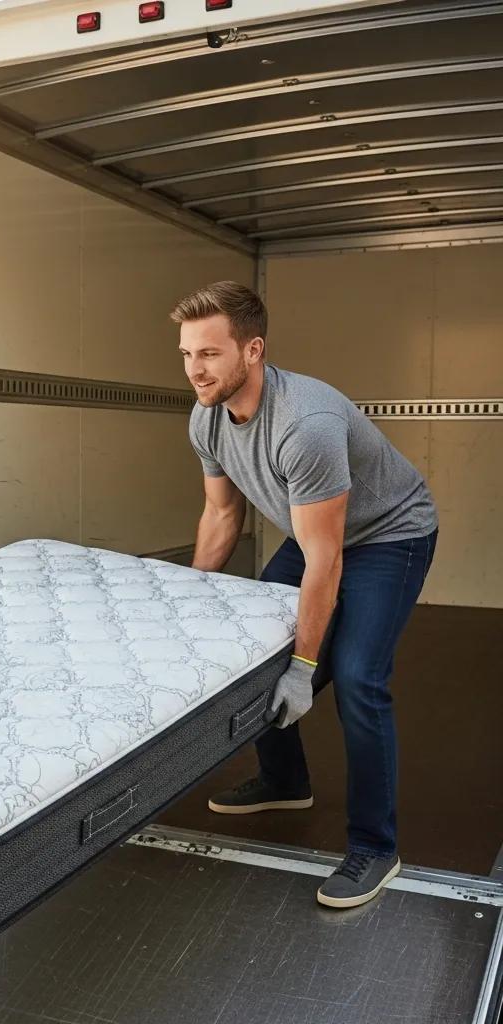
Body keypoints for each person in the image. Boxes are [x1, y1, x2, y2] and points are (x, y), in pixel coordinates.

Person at [172, 281, 438, 909]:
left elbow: (327, 559)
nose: (194, 370)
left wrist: (303, 665)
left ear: (253, 350)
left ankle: (376, 846)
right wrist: (191, 602)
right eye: (185, 354)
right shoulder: (206, 416)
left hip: (389, 534)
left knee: (355, 677)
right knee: (254, 647)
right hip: (316, 530)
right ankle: (285, 779)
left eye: (209, 353)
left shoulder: (305, 423)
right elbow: (220, 516)